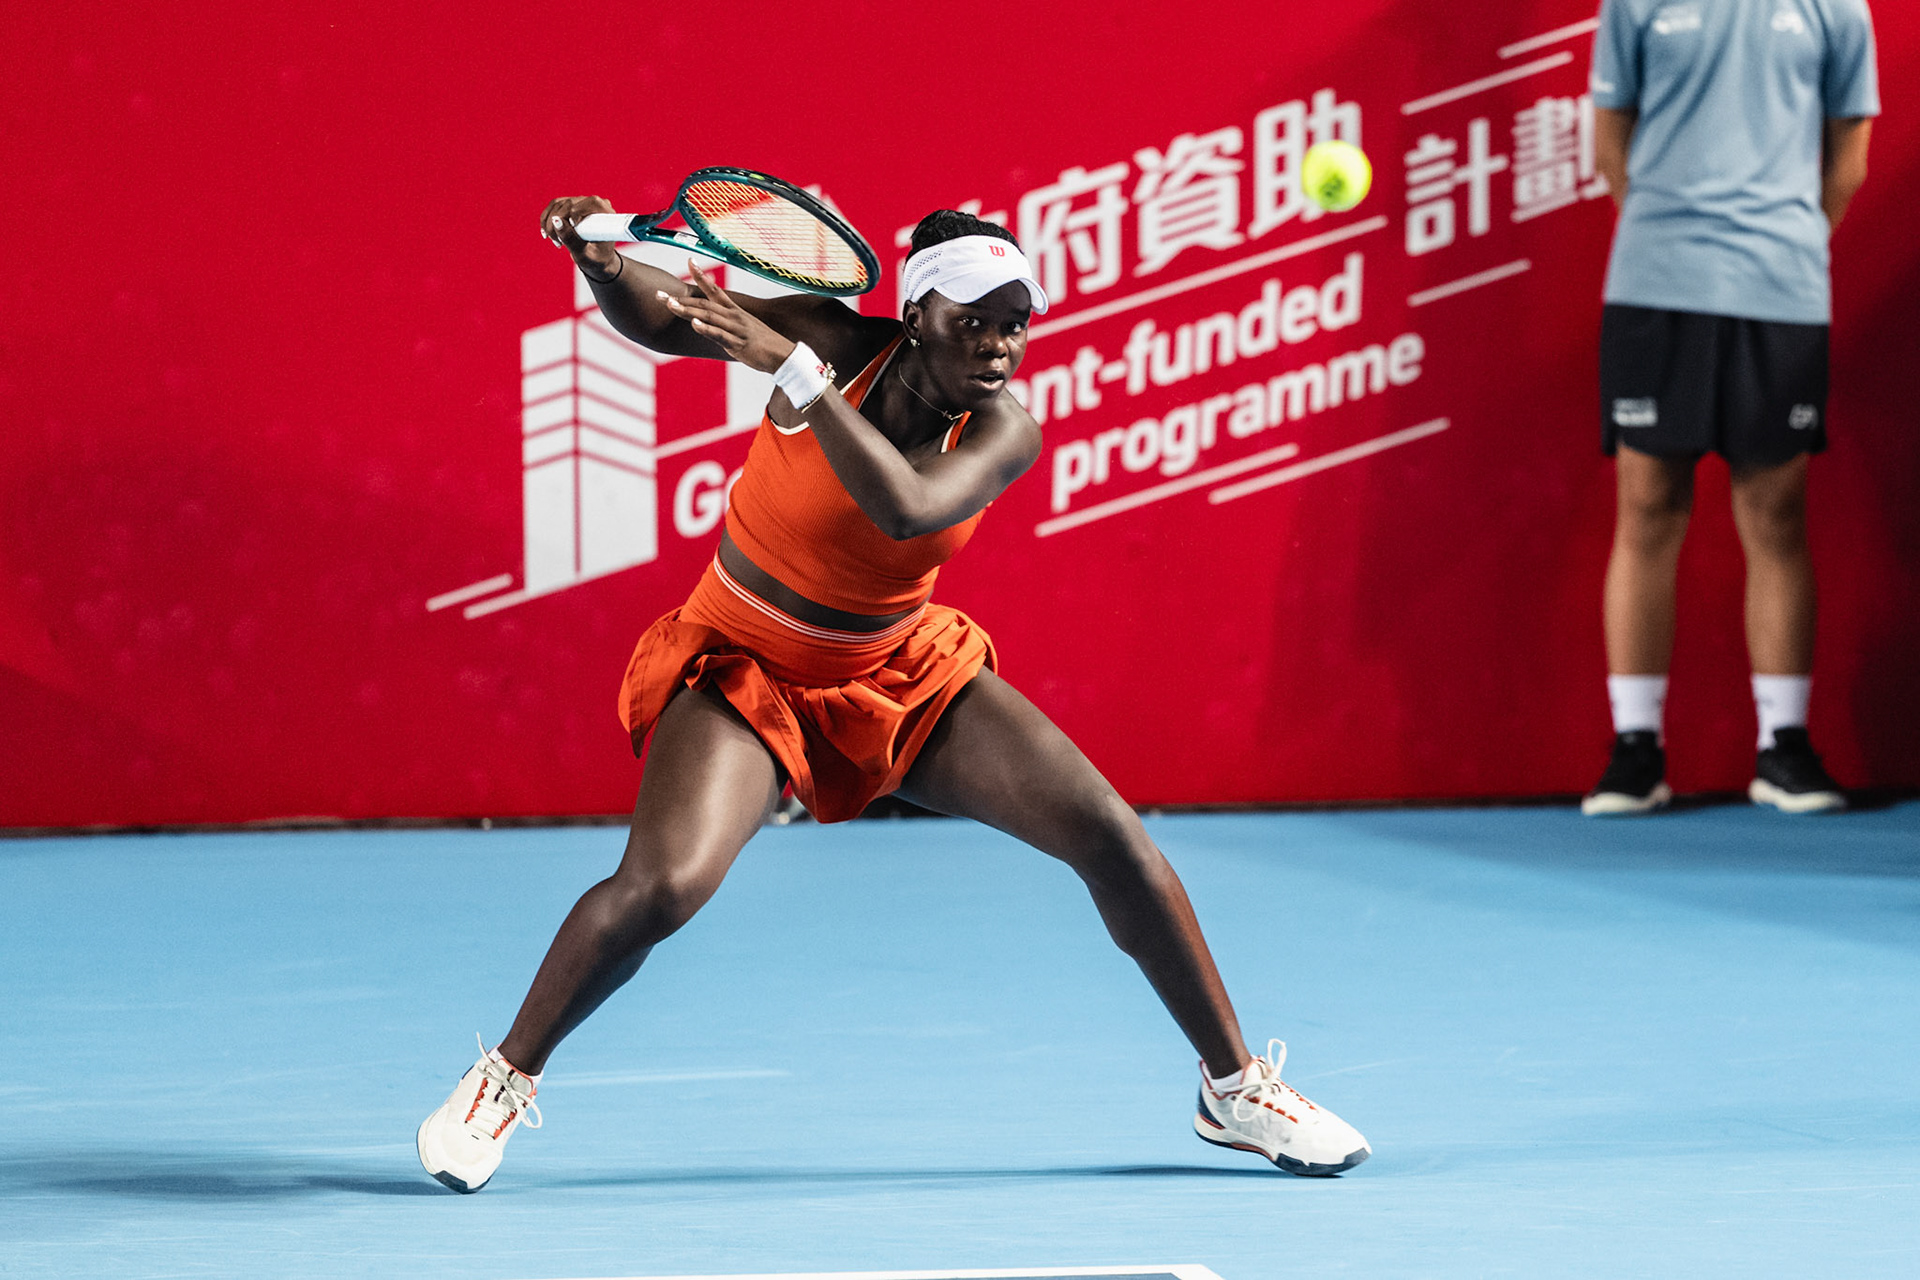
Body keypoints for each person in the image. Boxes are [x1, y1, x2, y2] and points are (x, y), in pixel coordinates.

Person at [414, 197, 1371, 1192]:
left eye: (1014, 322)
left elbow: (905, 507)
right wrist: (602, 263)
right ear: (915, 316)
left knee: (1117, 841)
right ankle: (503, 1076)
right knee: (664, 884)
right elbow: (668, 317)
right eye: (973, 320)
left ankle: (1235, 1087)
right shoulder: (834, 338)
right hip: (745, 662)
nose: (999, 344)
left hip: (901, 671)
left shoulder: (1004, 427)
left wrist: (794, 380)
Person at [1580, 0, 1878, 817]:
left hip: (1780, 288)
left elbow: (1848, 152)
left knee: (1777, 511)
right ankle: (1635, 752)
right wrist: (1680, 244)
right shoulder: (1633, 6)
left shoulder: (1838, 8)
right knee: (1647, 506)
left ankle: (1784, 749)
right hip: (1655, 284)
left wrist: (1780, 244)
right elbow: (1612, 145)